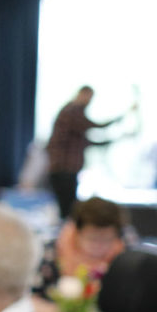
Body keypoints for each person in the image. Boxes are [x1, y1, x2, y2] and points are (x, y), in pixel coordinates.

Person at [31, 197, 129, 312]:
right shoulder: (50, 253)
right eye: (92, 238)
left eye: (107, 239)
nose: (99, 245)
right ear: (77, 231)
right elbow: (29, 299)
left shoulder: (125, 256)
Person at [45, 86, 130, 219]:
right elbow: (95, 126)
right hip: (63, 169)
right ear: (81, 94)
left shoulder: (73, 114)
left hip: (66, 170)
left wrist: (113, 139)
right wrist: (121, 118)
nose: (89, 101)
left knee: (68, 209)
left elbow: (87, 142)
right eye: (88, 96)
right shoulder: (72, 112)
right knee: (68, 209)